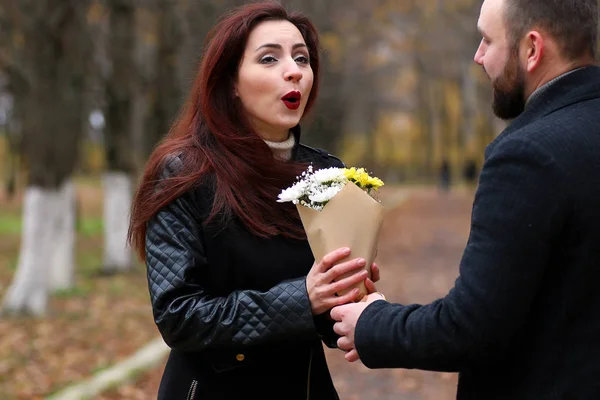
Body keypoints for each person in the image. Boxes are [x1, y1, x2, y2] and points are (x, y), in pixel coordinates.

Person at [330, 0, 600, 398]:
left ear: (531, 49)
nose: (478, 56)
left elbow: (472, 327)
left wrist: (371, 323)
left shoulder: (528, 155)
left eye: (488, 40)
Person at [126, 2, 379, 399]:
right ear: (230, 81)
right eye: (268, 59)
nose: (294, 70)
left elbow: (327, 319)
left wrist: (353, 299)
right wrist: (304, 297)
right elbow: (178, 317)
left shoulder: (326, 174)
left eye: (302, 58)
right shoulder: (184, 172)